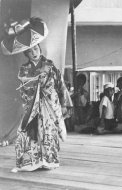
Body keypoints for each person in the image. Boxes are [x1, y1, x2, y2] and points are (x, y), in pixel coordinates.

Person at [1, 17, 72, 172]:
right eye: (30, 51)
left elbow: (61, 85)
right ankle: (30, 162)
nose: (34, 53)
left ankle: (49, 160)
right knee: (27, 133)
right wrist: (34, 85)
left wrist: (64, 103)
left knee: (48, 131)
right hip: (32, 105)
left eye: (35, 49)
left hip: (49, 104)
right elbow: (23, 89)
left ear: (40, 48)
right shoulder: (24, 70)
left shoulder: (50, 66)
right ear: (26, 54)